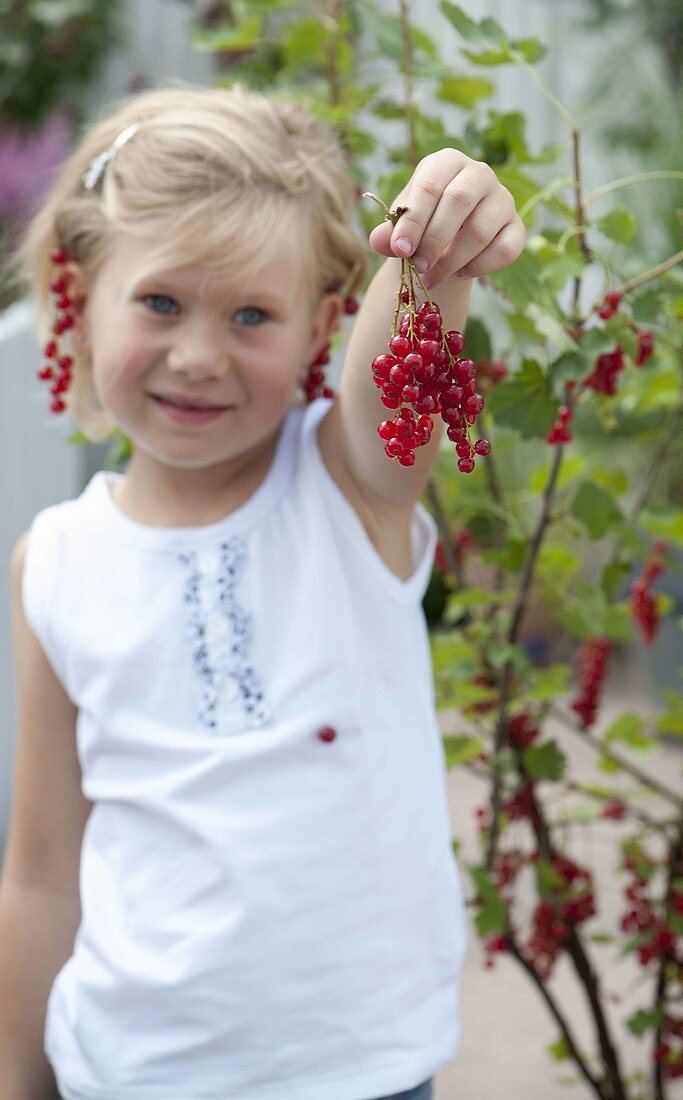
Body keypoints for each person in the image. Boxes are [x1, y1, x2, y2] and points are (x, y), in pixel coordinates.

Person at [0, 80, 525, 1100]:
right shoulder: (54, 560)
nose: (198, 356)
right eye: (160, 302)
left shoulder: (345, 490)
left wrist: (432, 245)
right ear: (78, 290)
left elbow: (395, 371)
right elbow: (42, 870)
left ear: (323, 321)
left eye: (252, 314)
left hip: (357, 1073)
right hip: (123, 1065)